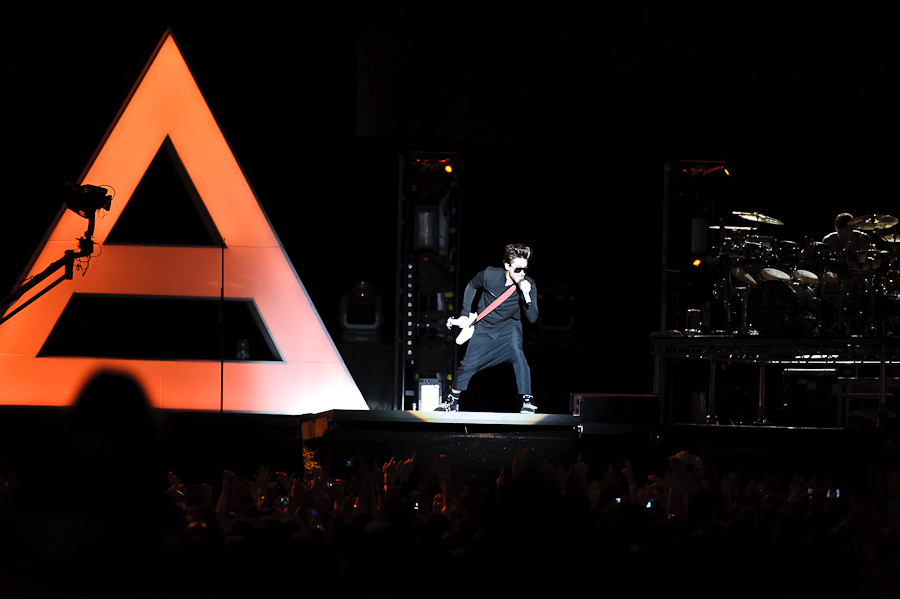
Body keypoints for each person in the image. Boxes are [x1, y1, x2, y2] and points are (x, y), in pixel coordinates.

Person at [436, 243, 539, 413]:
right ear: (507, 265)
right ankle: (452, 401)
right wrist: (464, 313)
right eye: (518, 269)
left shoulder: (529, 284)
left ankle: (527, 399)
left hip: (509, 327)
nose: (522, 273)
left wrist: (525, 294)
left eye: (525, 269)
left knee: (518, 354)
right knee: (467, 366)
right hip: (484, 328)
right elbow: (471, 285)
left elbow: (532, 317)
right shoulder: (490, 275)